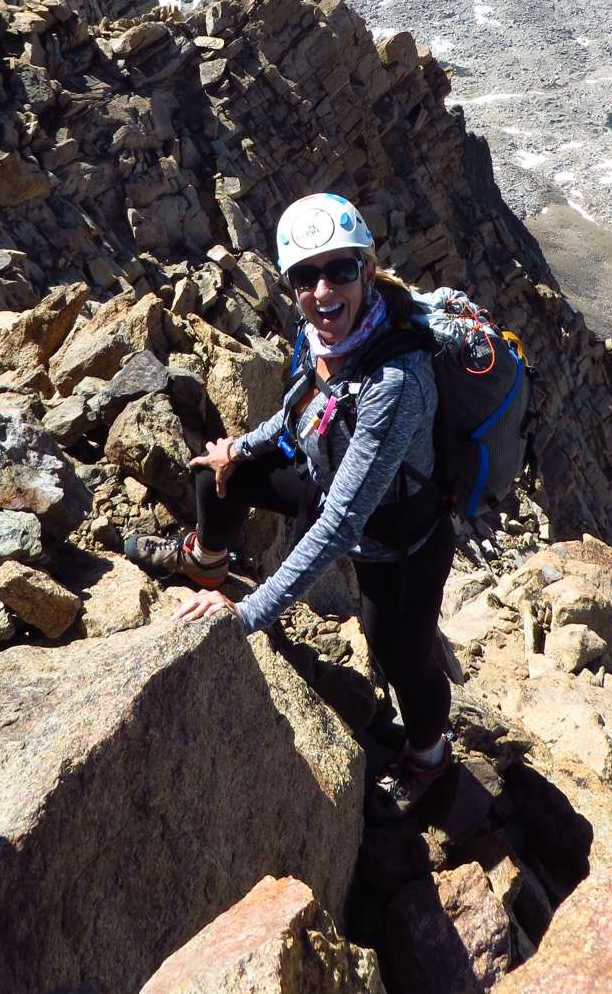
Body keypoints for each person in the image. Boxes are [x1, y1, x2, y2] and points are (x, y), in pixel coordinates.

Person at [125, 192, 456, 818]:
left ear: (368, 271)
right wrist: (238, 449)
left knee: (400, 654)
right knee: (218, 476)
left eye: (340, 270)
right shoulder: (325, 335)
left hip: (397, 538)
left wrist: (248, 613)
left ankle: (429, 756)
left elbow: (342, 524)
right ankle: (205, 564)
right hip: (330, 482)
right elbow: (300, 409)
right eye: (306, 277)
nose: (322, 290)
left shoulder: (396, 381)